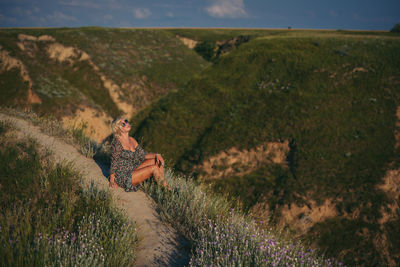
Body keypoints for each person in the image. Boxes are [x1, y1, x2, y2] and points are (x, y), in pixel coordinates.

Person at [109, 116, 169, 191]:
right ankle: (167, 191)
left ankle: (163, 186)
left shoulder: (132, 140)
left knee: (156, 161)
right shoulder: (117, 143)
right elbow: (114, 162)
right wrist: (112, 181)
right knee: (153, 168)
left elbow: (143, 154)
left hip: (133, 169)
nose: (126, 123)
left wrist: (157, 155)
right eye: (123, 124)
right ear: (118, 129)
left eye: (126, 121)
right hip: (123, 176)